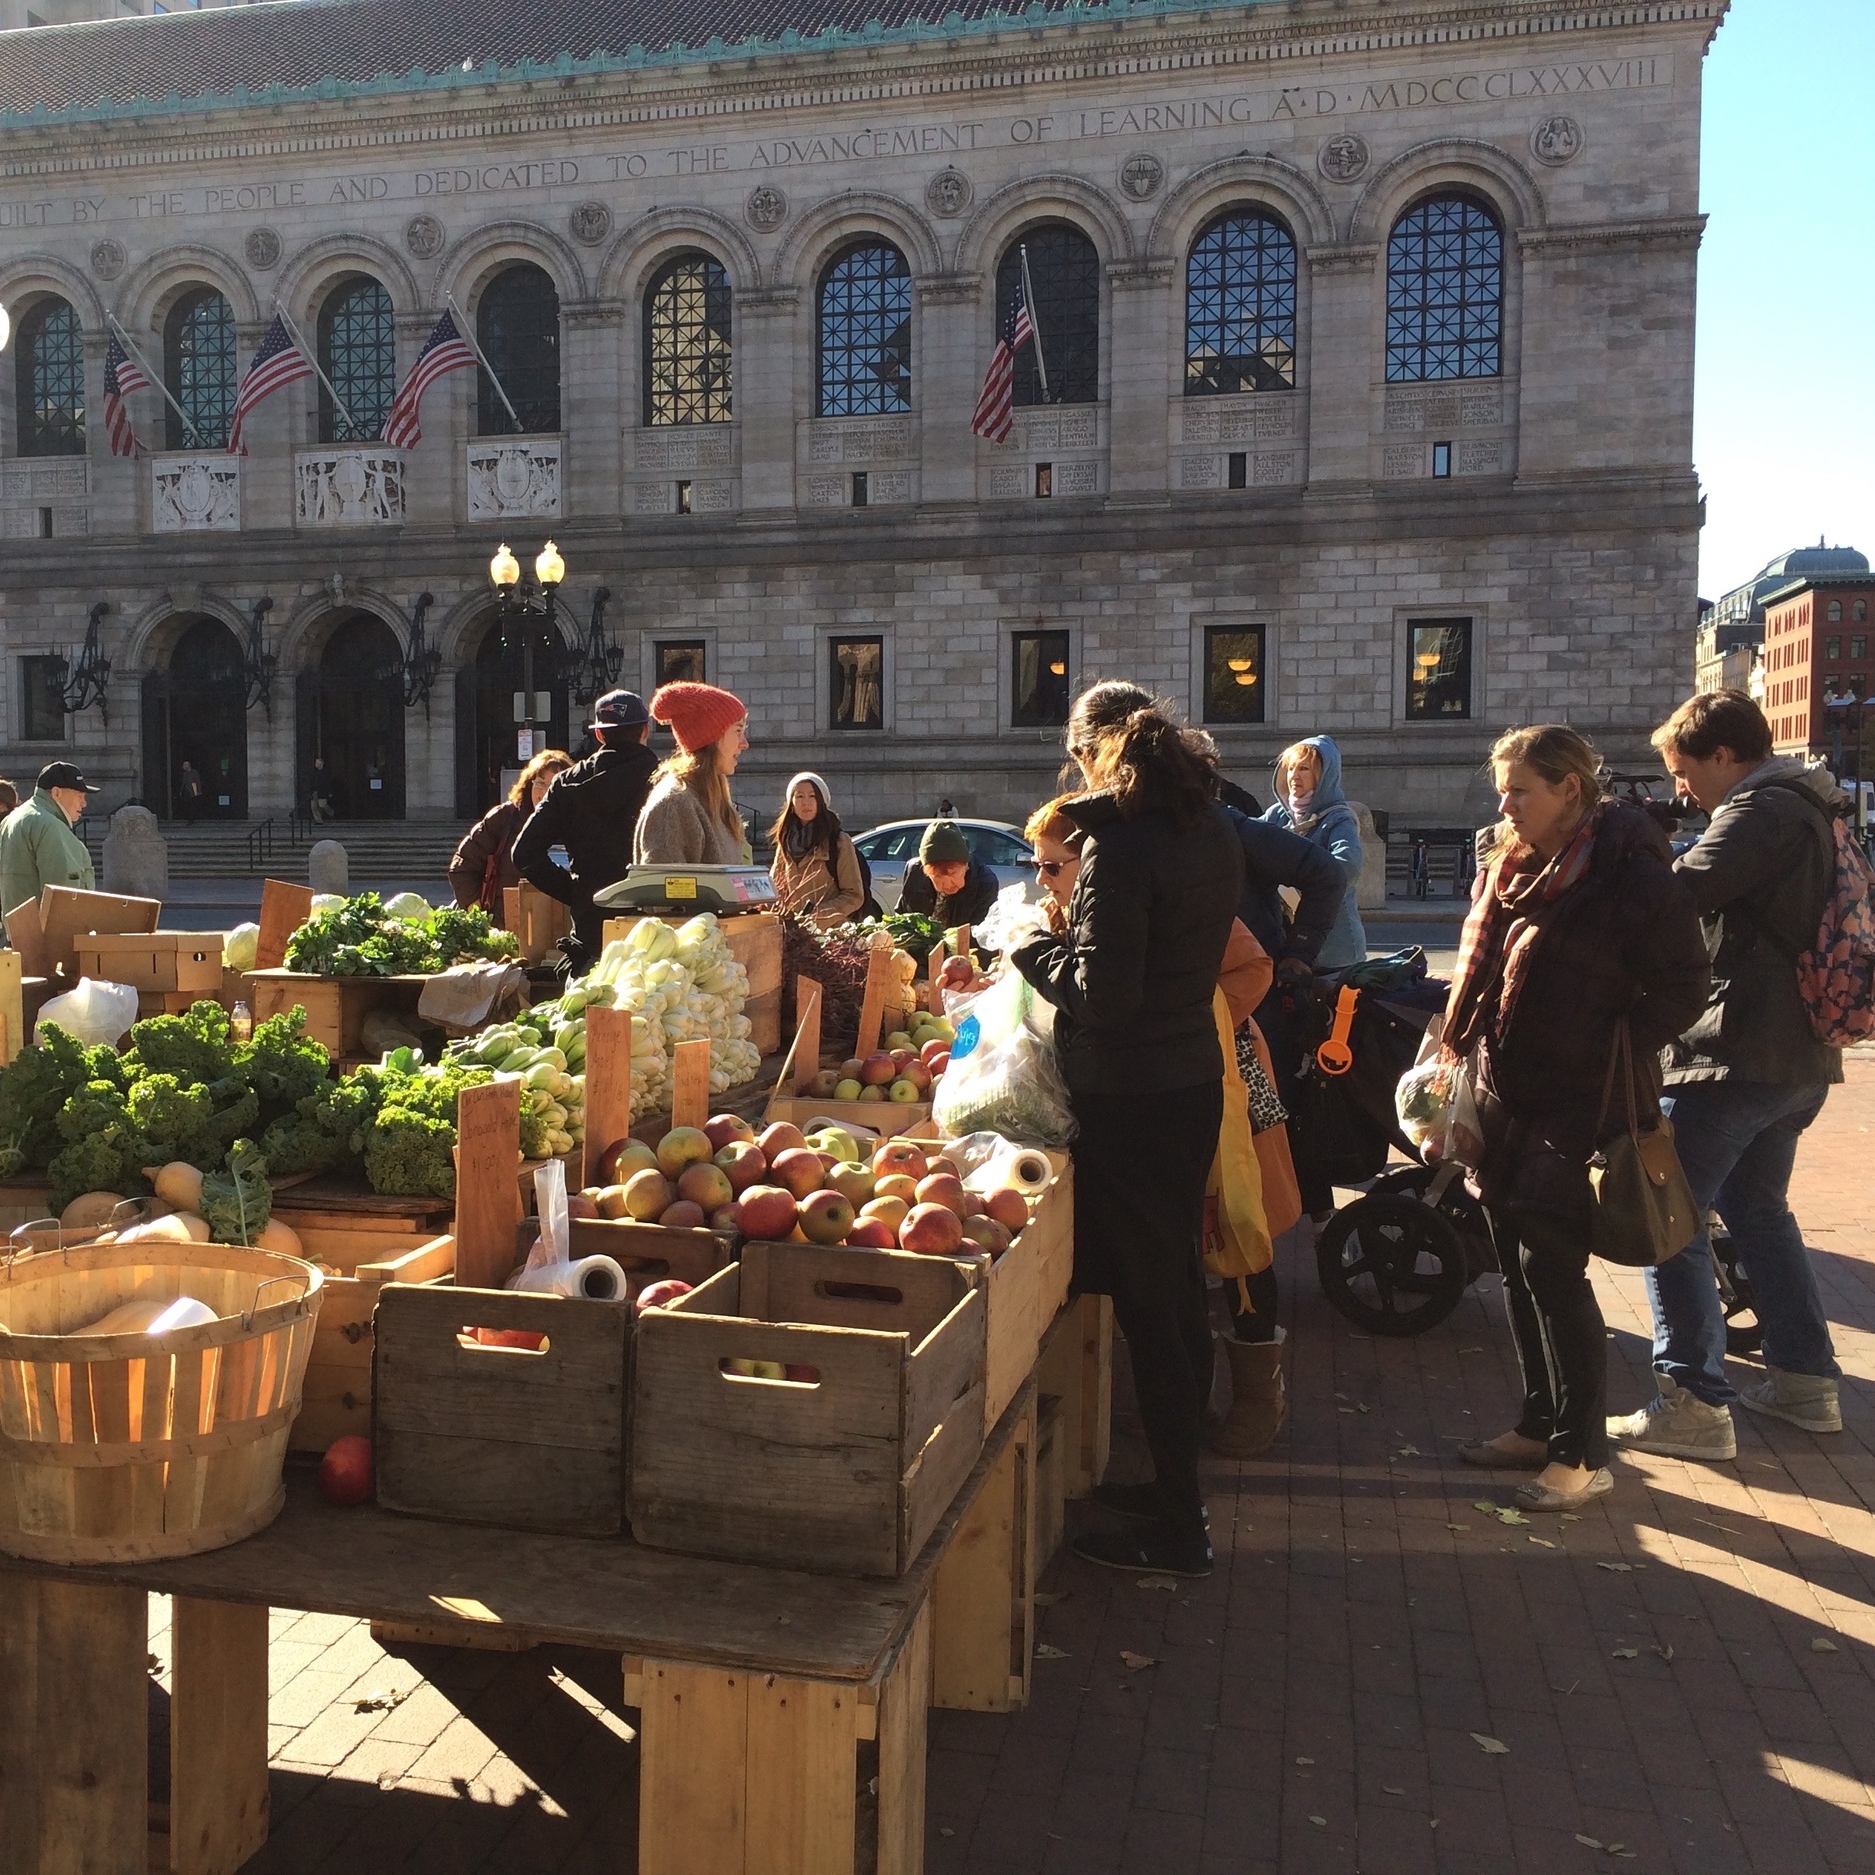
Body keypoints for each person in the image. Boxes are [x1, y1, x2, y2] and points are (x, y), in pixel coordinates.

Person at [1011, 685, 1243, 1576]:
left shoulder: (1121, 841)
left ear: (1094, 753)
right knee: (1172, 1287)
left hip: (1133, 1094)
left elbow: (1105, 997)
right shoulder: (1208, 824)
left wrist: (1031, 944)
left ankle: (1179, 1517)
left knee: (1153, 1300)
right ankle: (1171, 1487)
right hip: (1185, 1081)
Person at [1446, 726, 1707, 1512]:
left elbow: (1683, 987)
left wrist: (1608, 1036)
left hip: (1580, 1100)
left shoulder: (1631, 875)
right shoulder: (1515, 867)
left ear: (1570, 789)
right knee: (1513, 1264)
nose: (1505, 805)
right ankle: (1536, 1421)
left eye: (1520, 789)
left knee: (1550, 1268)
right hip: (1506, 1090)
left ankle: (1581, 1452)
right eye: (1502, 789)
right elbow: (1484, 969)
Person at [1607, 691, 1850, 1457]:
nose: (1680, 788)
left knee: (1666, 1217)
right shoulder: (1806, 805)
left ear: (1722, 756)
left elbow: (1674, 898)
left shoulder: (1759, 812)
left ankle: (1692, 1402)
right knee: (1756, 1210)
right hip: (1792, 1056)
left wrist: (1636, 843)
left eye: (1682, 771)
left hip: (1735, 1053)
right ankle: (1805, 1382)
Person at [1028, 794, 1300, 1457]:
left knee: (1242, 1231)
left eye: (1051, 866)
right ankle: (1187, 1401)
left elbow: (1253, 966)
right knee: (1182, 1247)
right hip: (1168, 1075)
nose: (1042, 880)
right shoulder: (1073, 904)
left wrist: (1191, 1022)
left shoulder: (1158, 890)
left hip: (1228, 1081)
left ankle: (1258, 1398)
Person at [513, 690, 658, 960]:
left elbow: (524, 854)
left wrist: (578, 892)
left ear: (600, 735)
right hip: (651, 931)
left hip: (590, 928)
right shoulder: (663, 780)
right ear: (645, 731)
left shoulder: (566, 783)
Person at [1261, 737, 1368, 968]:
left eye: (1304, 768)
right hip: (1289, 944)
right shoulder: (1276, 815)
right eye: (1290, 768)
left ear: (1324, 775)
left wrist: (1303, 878)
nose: (1294, 776)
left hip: (1335, 949)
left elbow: (1348, 865)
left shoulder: (1339, 818)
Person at [634, 682, 751, 865]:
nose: (744, 743)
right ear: (712, 737)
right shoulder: (674, 804)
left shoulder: (713, 799)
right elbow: (662, 886)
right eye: (738, 730)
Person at [449, 749, 573, 914]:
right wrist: (479, 915)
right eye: (540, 783)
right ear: (529, 785)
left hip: (564, 927)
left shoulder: (579, 822)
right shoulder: (504, 818)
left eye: (553, 786)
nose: (545, 793)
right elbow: (463, 866)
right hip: (505, 928)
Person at [0, 761, 100, 916]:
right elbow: (64, 897)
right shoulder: (51, 826)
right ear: (56, 793)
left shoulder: (12, 819)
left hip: (17, 933)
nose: (84, 803)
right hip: (48, 937)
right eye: (79, 795)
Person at [768, 772, 865, 929]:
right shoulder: (785, 841)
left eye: (812, 796)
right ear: (791, 803)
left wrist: (816, 916)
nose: (806, 802)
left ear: (821, 801)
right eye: (799, 796)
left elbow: (854, 895)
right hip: (794, 936)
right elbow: (774, 891)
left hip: (830, 935)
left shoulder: (838, 841)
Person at [900, 821, 1000, 928]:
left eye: (953, 873)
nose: (948, 885)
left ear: (966, 865)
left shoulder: (986, 884)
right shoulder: (914, 871)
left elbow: (982, 934)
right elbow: (902, 916)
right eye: (937, 876)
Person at [308, 756, 336, 824]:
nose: (315, 764)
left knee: (322, 805)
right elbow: (311, 782)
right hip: (314, 791)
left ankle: (331, 812)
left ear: (321, 764)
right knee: (313, 807)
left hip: (322, 791)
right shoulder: (314, 772)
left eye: (317, 763)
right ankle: (318, 820)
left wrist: (330, 792)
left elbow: (329, 783)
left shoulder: (326, 773)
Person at [178, 759, 204, 826]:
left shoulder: (194, 772)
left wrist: (199, 791)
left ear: (188, 766)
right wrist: (181, 791)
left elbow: (198, 781)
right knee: (187, 806)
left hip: (193, 791)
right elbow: (183, 783)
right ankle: (188, 818)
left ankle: (191, 820)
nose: (183, 766)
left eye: (185, 765)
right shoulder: (185, 774)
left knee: (192, 805)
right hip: (186, 792)